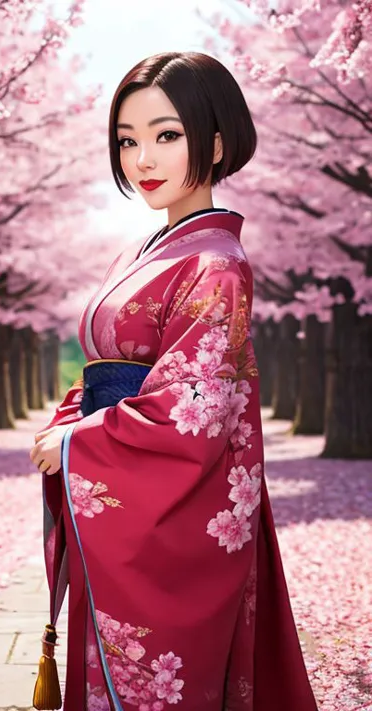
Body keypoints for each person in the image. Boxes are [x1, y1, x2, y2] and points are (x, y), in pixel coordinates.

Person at [30, 52, 318, 711]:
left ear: (215, 141)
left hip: (174, 511)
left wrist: (82, 441)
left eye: (166, 135)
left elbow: (195, 407)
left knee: (162, 681)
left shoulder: (217, 263)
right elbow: (110, 371)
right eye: (128, 141)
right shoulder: (149, 249)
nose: (143, 160)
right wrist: (71, 420)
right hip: (128, 489)